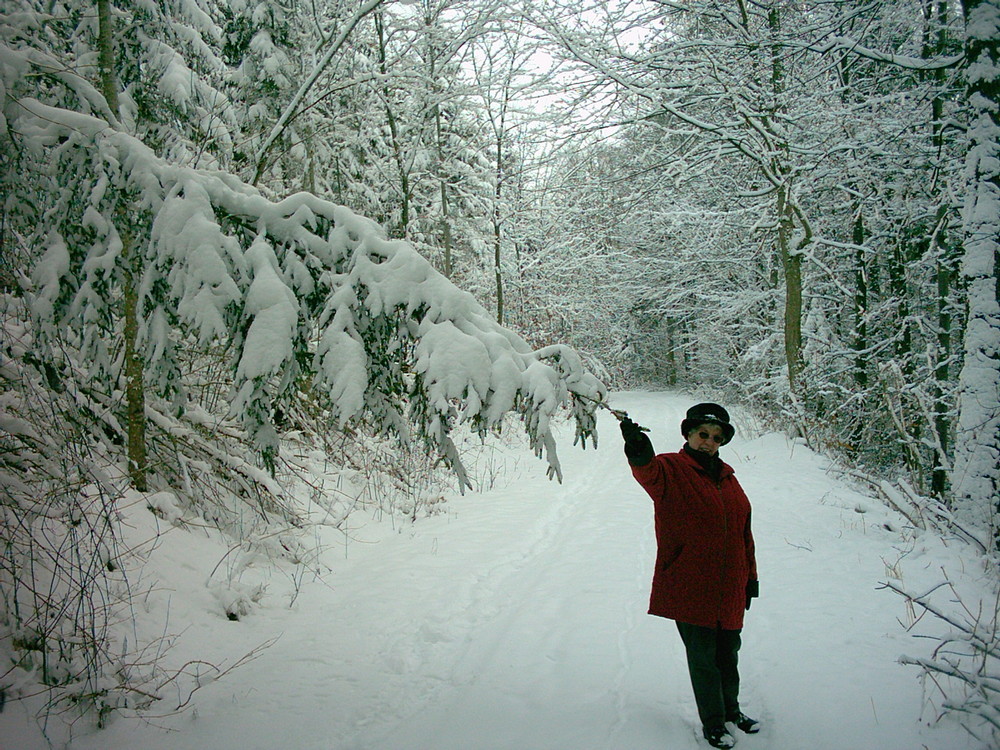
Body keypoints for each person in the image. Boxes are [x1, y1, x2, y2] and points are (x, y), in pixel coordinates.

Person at [619, 402, 759, 749]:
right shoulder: (670, 469)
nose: (708, 442)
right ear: (688, 434)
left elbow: (744, 533)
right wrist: (637, 448)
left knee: (729, 654)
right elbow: (646, 472)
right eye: (702, 434)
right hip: (691, 583)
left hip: (730, 585)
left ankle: (732, 711)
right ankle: (713, 722)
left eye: (715, 437)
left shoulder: (728, 478)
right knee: (704, 658)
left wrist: (750, 577)